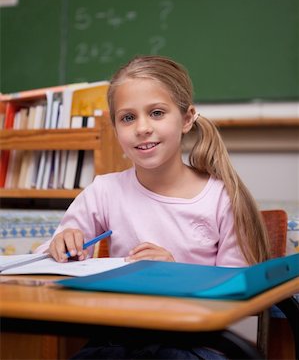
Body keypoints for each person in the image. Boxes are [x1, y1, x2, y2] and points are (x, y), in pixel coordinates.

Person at [35, 55, 271, 359]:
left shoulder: (221, 197)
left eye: (157, 113)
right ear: (115, 127)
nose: (142, 128)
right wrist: (60, 243)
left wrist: (176, 277)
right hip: (121, 338)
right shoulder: (104, 190)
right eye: (128, 117)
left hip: (197, 343)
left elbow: (239, 296)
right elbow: (46, 264)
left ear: (187, 119)